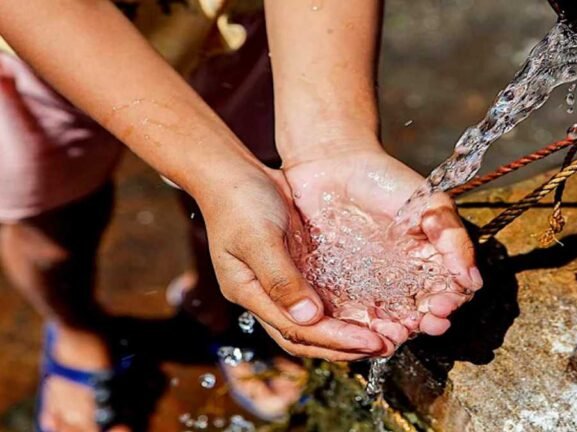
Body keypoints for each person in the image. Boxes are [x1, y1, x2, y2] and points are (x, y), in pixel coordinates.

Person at [0, 0, 482, 430]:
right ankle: (76, 329)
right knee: (51, 226)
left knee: (248, 204)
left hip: (237, 24)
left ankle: (214, 306)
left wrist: (332, 141)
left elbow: (242, 188)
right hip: (42, 45)